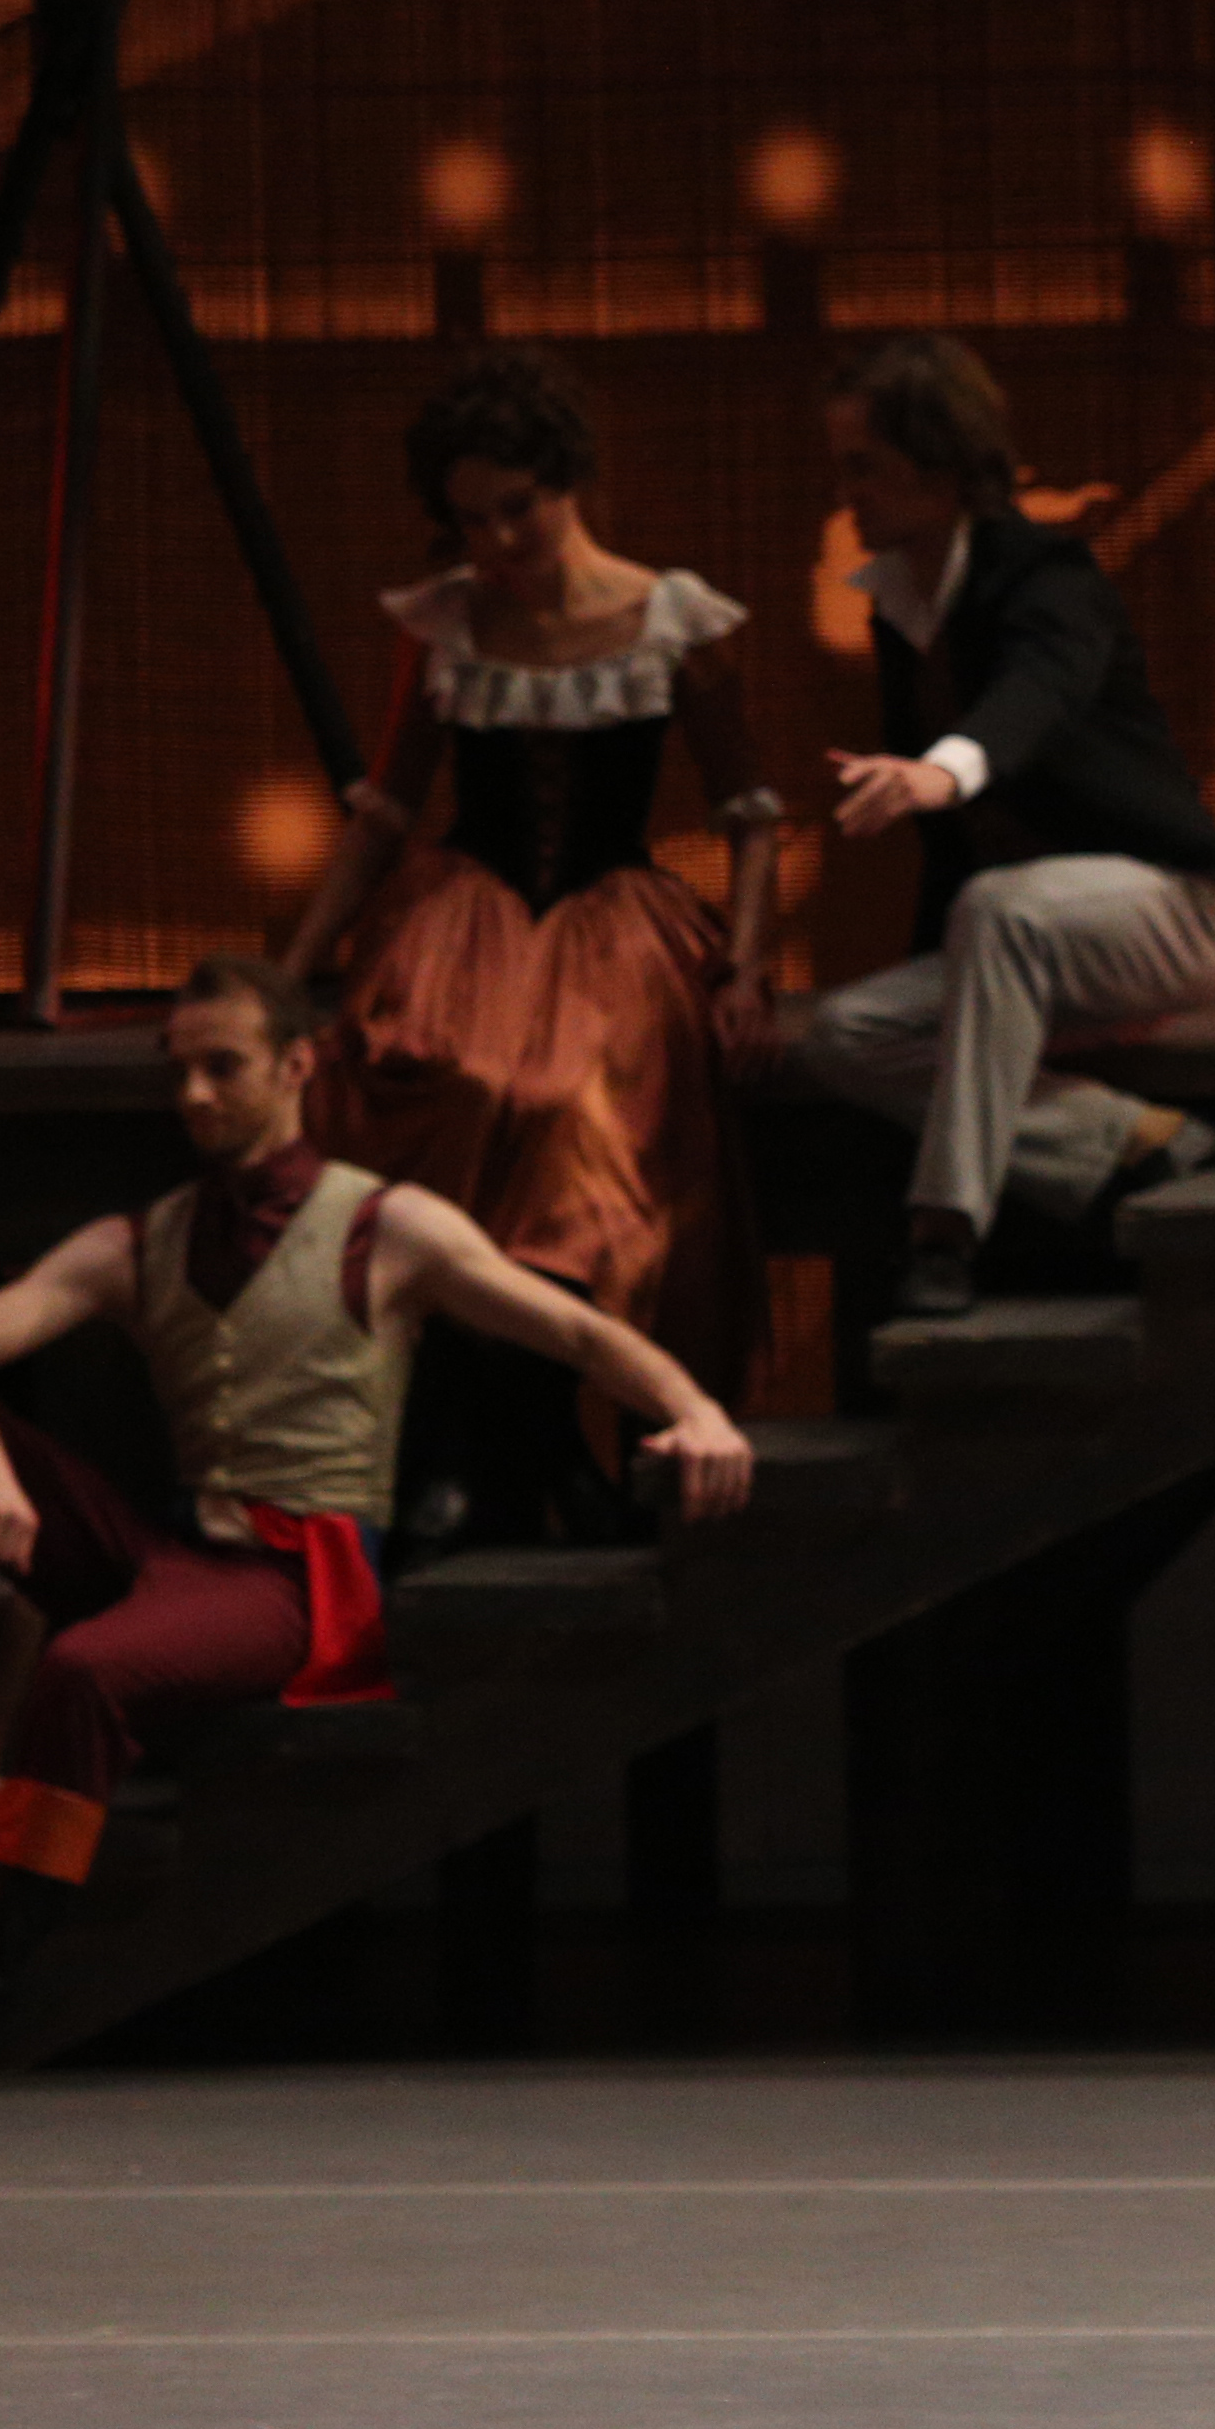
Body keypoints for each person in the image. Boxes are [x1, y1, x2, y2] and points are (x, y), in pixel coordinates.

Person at [0, 956, 756, 2097]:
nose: (194, 1095)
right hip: (165, 1555)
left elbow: (578, 1334)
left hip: (294, 1578)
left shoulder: (387, 1228)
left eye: (223, 1067)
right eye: (180, 1070)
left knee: (87, 1669)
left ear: (297, 1067)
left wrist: (696, 1412)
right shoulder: (142, 1240)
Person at [281, 347, 784, 1537]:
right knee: (452, 1087)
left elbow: (751, 815)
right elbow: (387, 812)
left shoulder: (674, 618)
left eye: (521, 509)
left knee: (573, 1112)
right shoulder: (448, 623)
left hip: (612, 921)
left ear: (572, 483)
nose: (501, 541)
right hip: (466, 917)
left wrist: (751, 966)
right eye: (472, 520)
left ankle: (542, 1436)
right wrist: (288, 972)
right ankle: (472, 1444)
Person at [793, 334, 1215, 1319]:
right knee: (845, 1035)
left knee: (1003, 908)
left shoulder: (1048, 575)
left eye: (862, 467)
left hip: (1171, 910)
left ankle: (946, 1229)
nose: (847, 496)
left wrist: (941, 772)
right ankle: (1133, 1141)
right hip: (1025, 938)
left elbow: (1034, 695)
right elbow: (960, 868)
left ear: (937, 467)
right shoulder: (899, 607)